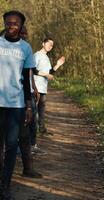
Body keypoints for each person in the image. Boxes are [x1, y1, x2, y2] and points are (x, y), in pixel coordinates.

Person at [0, 10, 37, 200]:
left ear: (20, 26)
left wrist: (29, 106)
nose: (11, 26)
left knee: (12, 146)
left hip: (16, 105)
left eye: (15, 23)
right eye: (8, 23)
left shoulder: (26, 48)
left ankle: (5, 187)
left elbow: (25, 80)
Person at [30, 37, 65, 152]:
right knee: (33, 116)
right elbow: (33, 70)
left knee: (41, 113)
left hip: (43, 89)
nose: (50, 46)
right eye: (49, 44)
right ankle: (31, 145)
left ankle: (42, 131)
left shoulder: (46, 57)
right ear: (43, 43)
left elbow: (50, 72)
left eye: (52, 45)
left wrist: (58, 65)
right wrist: (46, 75)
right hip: (35, 89)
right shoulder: (37, 55)